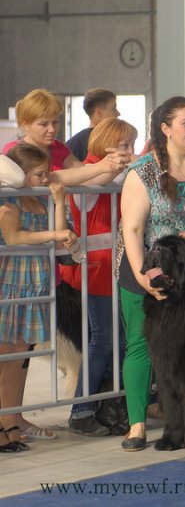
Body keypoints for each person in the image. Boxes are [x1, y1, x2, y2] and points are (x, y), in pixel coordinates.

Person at [116, 96, 185, 452]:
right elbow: (132, 231)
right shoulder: (142, 172)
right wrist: (143, 276)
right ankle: (136, 426)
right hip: (143, 263)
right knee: (141, 344)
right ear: (165, 129)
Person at [60, 118, 136, 437]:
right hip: (98, 267)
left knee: (118, 339)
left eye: (132, 145)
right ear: (106, 147)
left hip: (118, 264)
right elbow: (91, 192)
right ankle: (83, 409)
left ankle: (108, 404)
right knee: (103, 339)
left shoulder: (118, 175)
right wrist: (112, 167)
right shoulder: (86, 176)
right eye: (125, 146)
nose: (130, 152)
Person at [0, 143, 78, 448]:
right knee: (9, 357)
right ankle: (6, 423)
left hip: (36, 284)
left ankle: (14, 417)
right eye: (39, 174)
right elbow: (14, 237)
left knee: (22, 357)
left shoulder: (41, 201)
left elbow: (60, 239)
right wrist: (54, 235)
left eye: (47, 173)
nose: (46, 179)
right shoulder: (10, 202)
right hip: (12, 284)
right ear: (21, 176)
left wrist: (59, 203)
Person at [3, 88, 129, 186]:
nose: (52, 129)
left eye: (55, 122)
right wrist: (100, 167)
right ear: (26, 124)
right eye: (43, 124)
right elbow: (63, 176)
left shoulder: (59, 149)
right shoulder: (13, 150)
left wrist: (114, 167)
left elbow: (86, 177)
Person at [65, 89, 120, 162]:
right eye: (113, 108)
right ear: (98, 112)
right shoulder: (82, 143)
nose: (118, 113)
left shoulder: (73, 142)